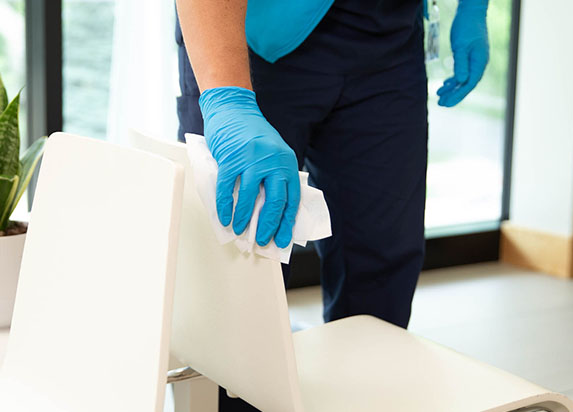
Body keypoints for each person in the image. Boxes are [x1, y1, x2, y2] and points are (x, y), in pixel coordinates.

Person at [174, 0, 488, 409]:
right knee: (237, 271)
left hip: (388, 40)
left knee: (381, 262)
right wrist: (226, 98)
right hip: (250, 39)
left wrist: (474, 7)